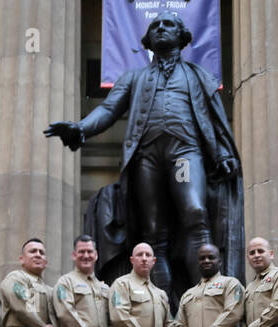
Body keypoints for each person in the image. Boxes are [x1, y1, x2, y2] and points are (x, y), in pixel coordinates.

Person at [44, 11, 243, 303]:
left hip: (183, 155)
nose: (161, 28)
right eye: (156, 26)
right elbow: (109, 110)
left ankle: (207, 298)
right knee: (153, 231)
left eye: (168, 25)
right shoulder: (134, 77)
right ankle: (160, 307)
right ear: (148, 39)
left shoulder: (198, 76)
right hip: (146, 157)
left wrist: (223, 152)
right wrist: (80, 128)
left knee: (195, 213)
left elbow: (214, 118)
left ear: (183, 36)